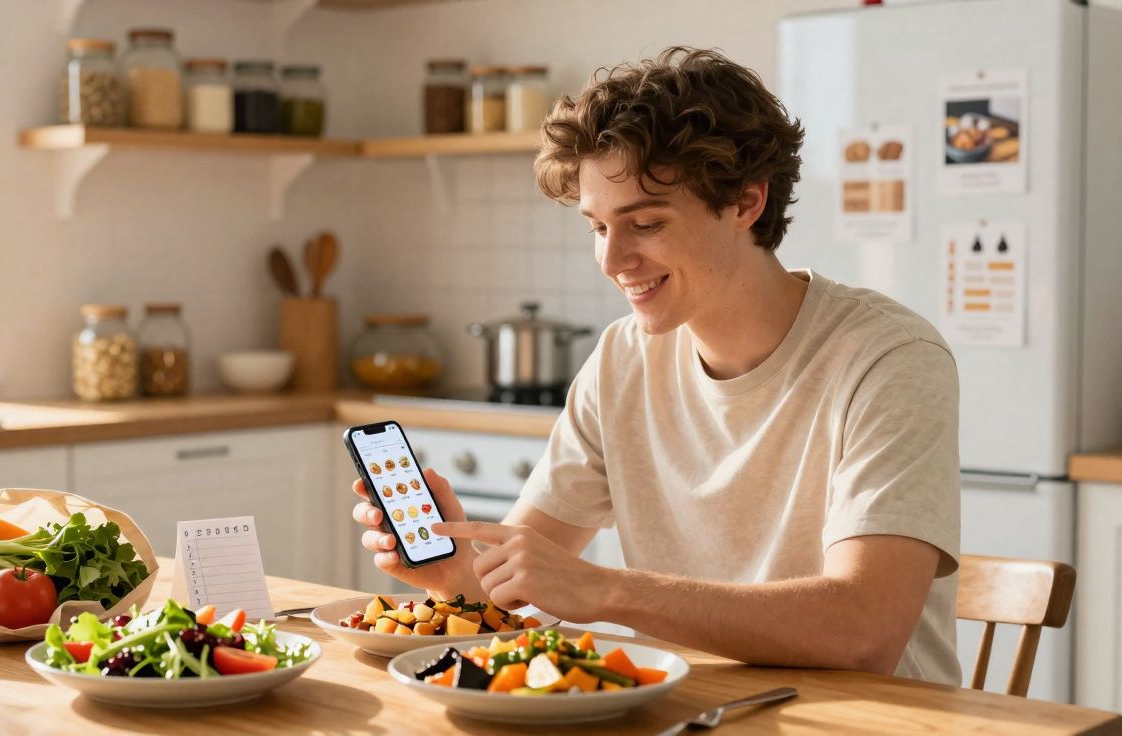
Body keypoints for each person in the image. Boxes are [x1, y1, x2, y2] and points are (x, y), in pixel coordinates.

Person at [349, 46, 961, 684]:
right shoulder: (622, 359)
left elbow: (864, 632)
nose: (612, 260)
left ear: (746, 203)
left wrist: (604, 590)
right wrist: (455, 571)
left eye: (644, 223)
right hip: (686, 707)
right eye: (597, 227)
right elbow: (506, 594)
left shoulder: (888, 358)